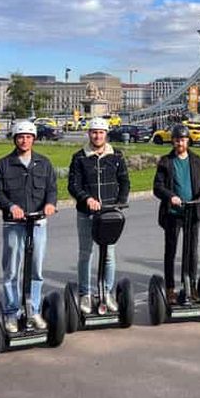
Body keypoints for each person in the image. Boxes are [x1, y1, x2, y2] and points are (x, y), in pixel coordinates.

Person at [0, 120, 57, 331]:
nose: (24, 140)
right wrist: (11, 206)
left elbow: (51, 189)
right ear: (15, 139)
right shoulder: (4, 164)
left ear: (34, 139)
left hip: (37, 223)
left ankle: (34, 310)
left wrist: (50, 204)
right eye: (20, 137)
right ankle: (11, 312)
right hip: (13, 224)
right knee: (12, 270)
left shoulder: (44, 163)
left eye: (28, 137)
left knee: (36, 270)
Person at [67, 117, 130, 315]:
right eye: (94, 132)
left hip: (110, 213)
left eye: (101, 132)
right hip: (87, 213)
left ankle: (107, 292)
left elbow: (125, 181)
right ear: (89, 134)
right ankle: (85, 293)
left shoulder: (116, 155)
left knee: (109, 255)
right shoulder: (79, 157)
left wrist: (119, 203)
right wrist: (87, 199)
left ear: (106, 135)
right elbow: (73, 185)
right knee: (86, 253)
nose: (97, 136)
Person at [153, 124, 200, 303]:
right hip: (173, 213)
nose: (180, 143)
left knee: (191, 251)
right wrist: (170, 196)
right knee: (170, 251)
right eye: (178, 140)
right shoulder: (166, 161)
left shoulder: (196, 160)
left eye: (184, 139)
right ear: (173, 141)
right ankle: (170, 288)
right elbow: (158, 187)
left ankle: (190, 285)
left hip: (192, 211)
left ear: (188, 141)